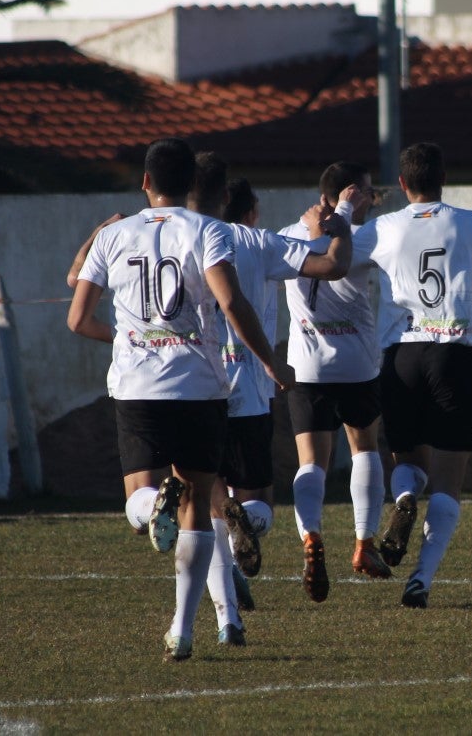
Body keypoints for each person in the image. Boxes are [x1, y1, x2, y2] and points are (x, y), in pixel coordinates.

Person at [66, 137, 292, 662]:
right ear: (192, 185)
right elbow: (231, 301)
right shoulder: (208, 229)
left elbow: (77, 319)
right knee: (200, 511)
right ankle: (183, 630)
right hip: (200, 387)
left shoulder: (114, 236)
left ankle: (153, 503)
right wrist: (267, 360)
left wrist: (127, 338)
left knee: (137, 504)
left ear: (144, 182)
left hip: (138, 387)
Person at [352, 142, 472, 608]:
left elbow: (334, 258)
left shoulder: (384, 227)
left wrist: (337, 216)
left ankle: (400, 503)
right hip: (454, 356)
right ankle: (422, 577)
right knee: (449, 481)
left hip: (402, 357)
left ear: (401, 184)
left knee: (408, 464)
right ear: (444, 178)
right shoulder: (470, 223)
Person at [209, 168, 351, 624]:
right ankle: (240, 536)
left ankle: (224, 598)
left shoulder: (186, 236)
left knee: (203, 496)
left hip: (195, 388)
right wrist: (334, 228)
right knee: (259, 506)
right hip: (249, 391)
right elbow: (332, 264)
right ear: (250, 211)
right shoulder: (259, 243)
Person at [278, 161, 394, 603]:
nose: (373, 200)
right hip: (357, 365)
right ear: (349, 194)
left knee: (311, 464)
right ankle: (364, 545)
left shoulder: (289, 232)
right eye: (367, 192)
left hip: (307, 368)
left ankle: (311, 537)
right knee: (364, 448)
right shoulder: (362, 237)